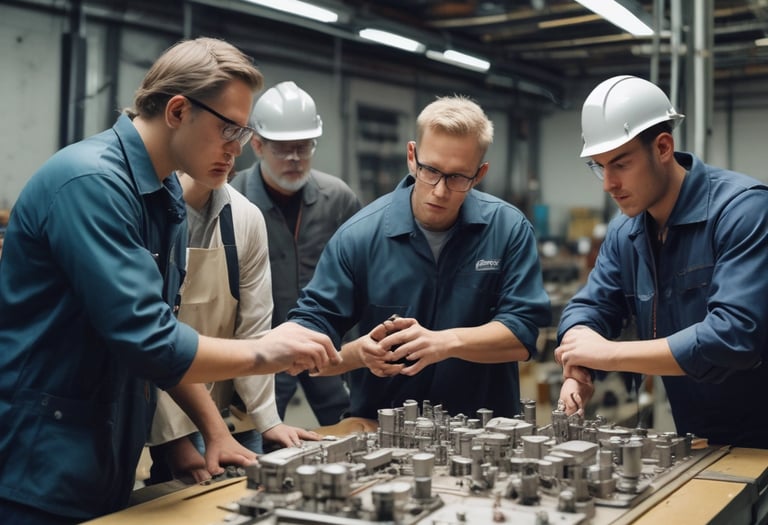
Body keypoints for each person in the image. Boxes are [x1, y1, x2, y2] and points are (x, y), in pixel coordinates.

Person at [0, 37, 338, 525]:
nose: (236, 149)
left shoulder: (162, 199)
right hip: (37, 468)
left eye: (243, 133)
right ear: (178, 110)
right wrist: (266, 351)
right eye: (229, 129)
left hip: (101, 455)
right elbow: (151, 341)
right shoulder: (91, 184)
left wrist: (214, 429)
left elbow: (163, 332)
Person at [287, 95, 551, 420]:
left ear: (479, 173)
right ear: (412, 157)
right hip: (385, 431)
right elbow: (308, 340)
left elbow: (523, 335)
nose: (440, 190)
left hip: (485, 432)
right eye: (430, 170)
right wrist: (357, 354)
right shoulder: (359, 236)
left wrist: (446, 342)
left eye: (457, 177)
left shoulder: (508, 230)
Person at [554, 75, 768, 449]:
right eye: (599, 166)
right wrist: (579, 366)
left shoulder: (743, 211)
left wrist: (609, 354)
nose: (608, 184)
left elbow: (733, 336)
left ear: (663, 147)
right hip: (698, 439)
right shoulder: (626, 231)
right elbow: (590, 307)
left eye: (621, 164)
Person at [146, 171, 322, 485]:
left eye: (237, 142)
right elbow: (147, 338)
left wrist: (268, 420)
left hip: (223, 401)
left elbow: (254, 331)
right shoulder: (148, 212)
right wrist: (173, 440)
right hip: (157, 394)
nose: (230, 151)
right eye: (222, 140)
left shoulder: (244, 217)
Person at [231, 81, 360, 425]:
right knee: (256, 435)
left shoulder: (338, 199)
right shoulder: (232, 200)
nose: (295, 159)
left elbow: (362, 278)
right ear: (257, 145)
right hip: (264, 347)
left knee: (351, 427)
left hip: (329, 345)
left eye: (303, 148)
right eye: (283, 149)